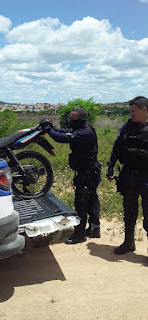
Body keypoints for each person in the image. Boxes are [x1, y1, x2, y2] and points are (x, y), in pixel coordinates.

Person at [40, 108, 101, 244]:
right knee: (92, 201)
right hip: (90, 173)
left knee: (81, 203)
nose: (70, 122)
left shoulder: (85, 133)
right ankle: (94, 229)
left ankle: (79, 235)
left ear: (81, 120)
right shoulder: (81, 129)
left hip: (87, 174)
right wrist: (51, 127)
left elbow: (62, 138)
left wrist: (48, 130)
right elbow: (64, 132)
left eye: (72, 119)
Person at [107, 96, 148, 255]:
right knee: (129, 213)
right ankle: (129, 243)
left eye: (134, 111)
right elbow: (117, 147)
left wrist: (139, 153)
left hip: (146, 177)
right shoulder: (127, 127)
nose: (131, 114)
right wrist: (111, 165)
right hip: (129, 176)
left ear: (144, 110)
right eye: (130, 111)